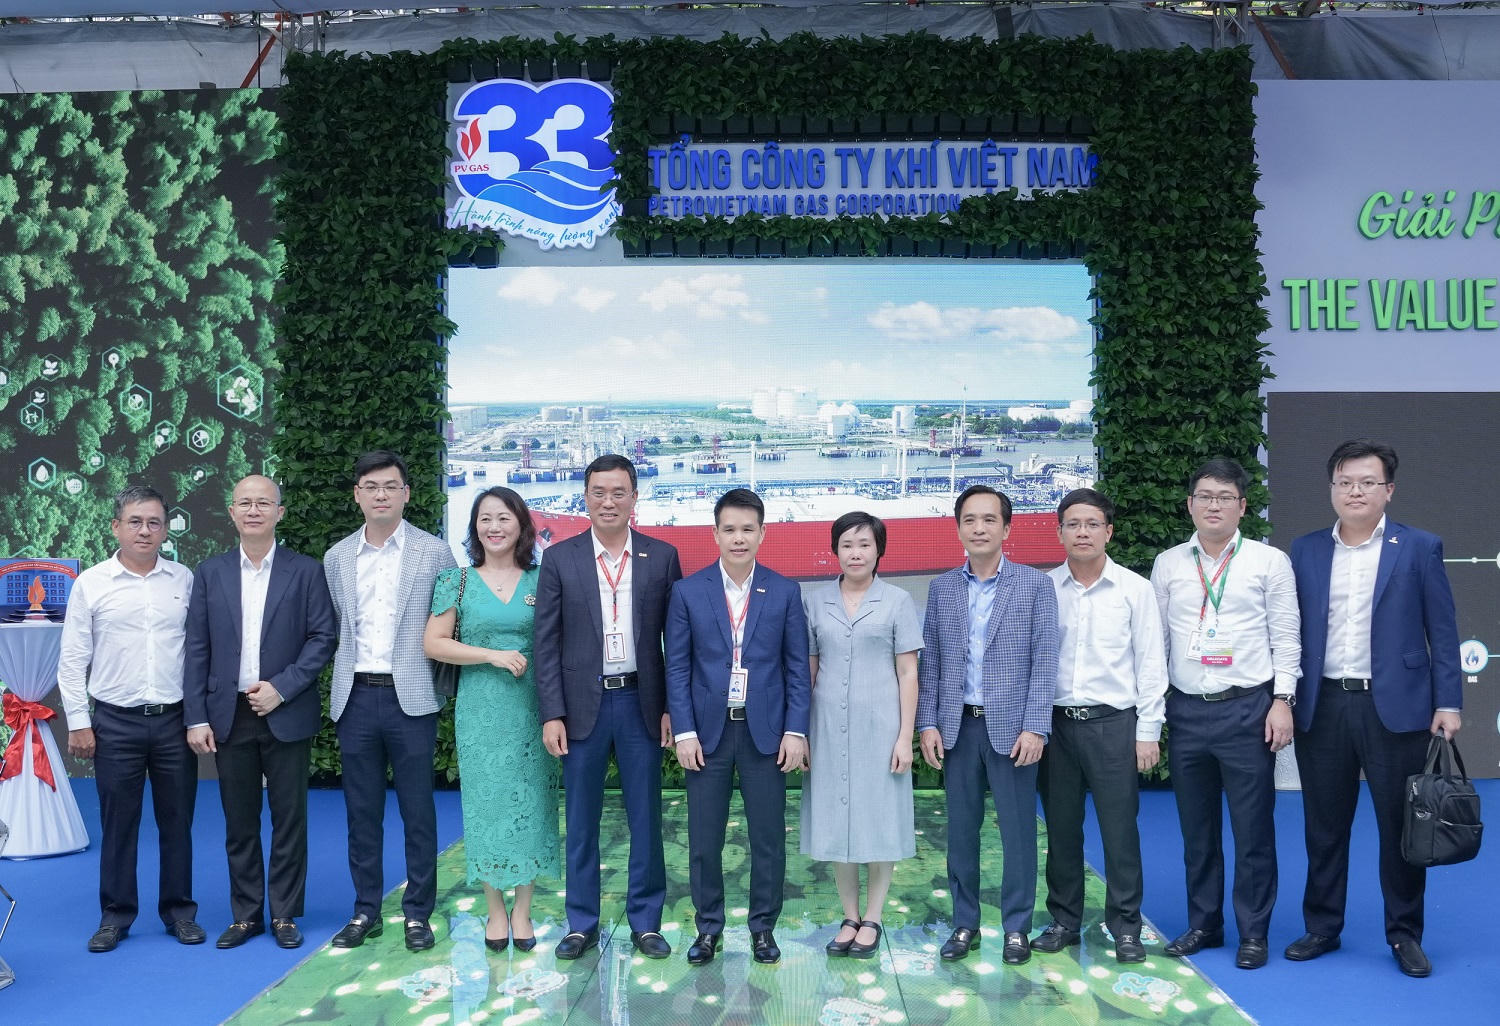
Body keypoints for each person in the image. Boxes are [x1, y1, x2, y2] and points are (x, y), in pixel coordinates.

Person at [1285, 439, 1461, 978]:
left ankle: (1404, 934)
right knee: (1324, 826)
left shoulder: (1419, 547)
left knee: (1401, 827)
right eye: (1344, 482)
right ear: (1332, 489)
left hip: (1399, 708)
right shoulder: (1305, 550)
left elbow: (1442, 632)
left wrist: (1448, 701)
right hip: (1324, 705)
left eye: (1367, 482)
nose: (1355, 491)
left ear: (1389, 490)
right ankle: (1322, 926)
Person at [1150, 457, 1300, 970]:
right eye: (1205, 496)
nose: (1214, 505)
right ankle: (1204, 924)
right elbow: (1156, 644)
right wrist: (1156, 710)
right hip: (1187, 711)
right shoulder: (1169, 563)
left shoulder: (1268, 562)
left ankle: (1253, 932)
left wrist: (1283, 700)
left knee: (1252, 830)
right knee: (1197, 830)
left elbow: (1286, 636)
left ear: (1242, 506)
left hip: (1248, 710)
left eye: (1225, 497)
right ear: (1189, 504)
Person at [534, 454, 682, 960]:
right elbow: (546, 642)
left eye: (619, 492)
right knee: (581, 821)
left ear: (635, 497)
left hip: (642, 703)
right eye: (599, 492)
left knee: (646, 818)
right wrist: (551, 712)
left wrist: (671, 709)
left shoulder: (662, 557)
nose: (609, 502)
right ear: (585, 497)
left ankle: (646, 922)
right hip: (581, 708)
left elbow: (675, 642)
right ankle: (581, 923)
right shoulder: (560, 558)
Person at [183, 475, 336, 951]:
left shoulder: (305, 571)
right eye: (245, 503)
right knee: (239, 821)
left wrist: (282, 689)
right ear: (232, 512)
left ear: (279, 512)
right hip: (228, 715)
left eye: (263, 503)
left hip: (285, 710)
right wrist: (196, 716)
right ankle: (246, 915)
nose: (254, 510)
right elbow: (197, 648)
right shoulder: (210, 572)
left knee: (290, 819)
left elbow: (323, 638)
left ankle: (285, 913)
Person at [666, 488, 811, 966]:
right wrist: (684, 732)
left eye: (748, 529)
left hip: (765, 734)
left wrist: (796, 731)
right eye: (729, 529)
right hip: (706, 735)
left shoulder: (784, 591)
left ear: (763, 533)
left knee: (768, 838)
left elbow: (796, 669)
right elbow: (677, 668)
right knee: (704, 839)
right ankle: (708, 928)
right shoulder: (688, 591)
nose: (739, 538)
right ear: (715, 534)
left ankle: (763, 928)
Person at [917, 485, 1059, 966]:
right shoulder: (942, 588)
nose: (979, 528)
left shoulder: (1035, 585)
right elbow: (932, 663)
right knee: (961, 832)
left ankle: (1017, 927)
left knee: (1018, 833)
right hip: (958, 728)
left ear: (1006, 528)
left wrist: (1036, 726)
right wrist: (928, 724)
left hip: (1014, 730)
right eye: (970, 520)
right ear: (958, 528)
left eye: (989, 520)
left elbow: (1045, 661)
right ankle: (965, 923)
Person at [58, 484, 202, 953]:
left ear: (166, 529)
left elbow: (199, 652)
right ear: (116, 526)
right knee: (119, 825)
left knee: (177, 822)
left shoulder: (184, 580)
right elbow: (72, 659)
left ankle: (179, 912)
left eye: (154, 522)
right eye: (135, 521)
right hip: (115, 723)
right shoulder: (91, 583)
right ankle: (115, 916)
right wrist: (78, 722)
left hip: (174, 720)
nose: (145, 530)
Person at [323, 451, 457, 951]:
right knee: (361, 812)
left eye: (390, 486)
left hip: (412, 698)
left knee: (418, 811)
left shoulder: (435, 553)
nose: (381, 494)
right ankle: (365, 910)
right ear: (357, 494)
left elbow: (449, 625)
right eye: (371, 486)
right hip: (355, 695)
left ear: (406, 493)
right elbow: (337, 625)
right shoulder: (337, 557)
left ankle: (418, 913)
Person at [1034, 488, 1167, 964]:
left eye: (1092, 524)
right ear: (1060, 532)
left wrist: (1148, 731)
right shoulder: (1043, 589)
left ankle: (1126, 926)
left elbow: (1151, 662)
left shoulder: (1134, 589)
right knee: (1061, 830)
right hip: (1056, 726)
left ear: (1108, 532)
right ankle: (1064, 920)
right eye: (1073, 524)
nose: (1083, 532)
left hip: (1114, 724)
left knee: (1119, 830)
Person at [425, 487, 559, 953]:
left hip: (534, 709)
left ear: (521, 525)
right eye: (485, 519)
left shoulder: (543, 578)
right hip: (481, 710)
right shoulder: (456, 581)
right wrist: (490, 655)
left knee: (532, 805)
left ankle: (523, 910)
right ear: (474, 528)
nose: (494, 527)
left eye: (504, 518)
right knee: (486, 809)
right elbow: (434, 643)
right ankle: (495, 910)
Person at [800, 512, 920, 959]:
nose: (856, 553)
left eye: (864, 544)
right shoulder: (815, 602)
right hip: (828, 726)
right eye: (847, 544)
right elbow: (809, 671)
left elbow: (908, 673)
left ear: (878, 550)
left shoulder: (898, 601)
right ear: (835, 550)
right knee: (838, 818)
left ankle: (873, 916)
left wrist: (904, 736)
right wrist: (801, 732)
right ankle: (848, 916)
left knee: (879, 817)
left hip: (881, 727)